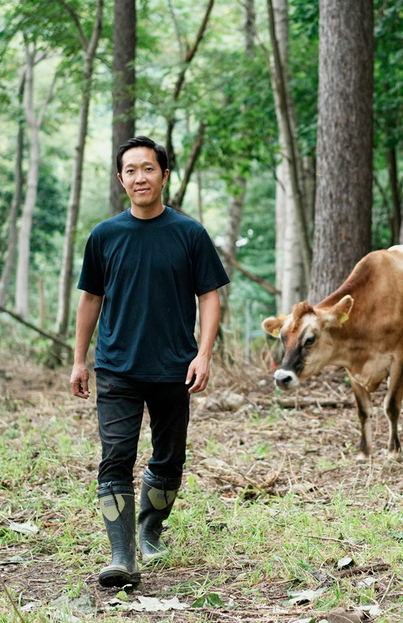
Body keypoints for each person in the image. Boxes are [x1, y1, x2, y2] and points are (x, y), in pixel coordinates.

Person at [69, 136, 230, 588]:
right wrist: (80, 361)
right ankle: (122, 556)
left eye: (148, 168)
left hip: (174, 367)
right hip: (117, 366)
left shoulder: (190, 234)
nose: (140, 177)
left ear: (163, 175)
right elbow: (90, 300)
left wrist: (203, 354)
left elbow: (210, 297)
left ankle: (149, 532)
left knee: (169, 458)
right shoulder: (104, 236)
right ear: (121, 179)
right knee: (115, 457)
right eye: (131, 170)